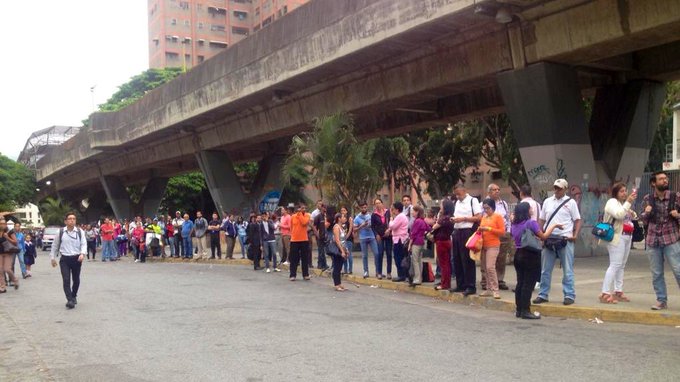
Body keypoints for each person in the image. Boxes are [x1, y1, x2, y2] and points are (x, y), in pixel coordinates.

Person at [534, 179, 582, 306]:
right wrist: (540, 235)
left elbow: (577, 220)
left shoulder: (571, 203)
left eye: (559, 188)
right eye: (555, 188)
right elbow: (542, 220)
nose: (556, 190)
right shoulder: (547, 202)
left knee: (567, 269)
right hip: (549, 238)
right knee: (545, 269)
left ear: (565, 189)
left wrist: (575, 235)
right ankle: (543, 294)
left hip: (565, 238)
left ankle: (569, 294)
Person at [511, 202, 561, 319]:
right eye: (530, 208)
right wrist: (554, 226)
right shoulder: (531, 223)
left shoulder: (514, 224)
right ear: (526, 211)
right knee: (528, 284)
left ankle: (519, 309)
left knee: (520, 282)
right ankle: (525, 310)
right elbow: (543, 236)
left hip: (518, 253)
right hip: (530, 255)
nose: (531, 209)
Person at [640, 171, 680, 310]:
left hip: (671, 239)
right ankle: (661, 300)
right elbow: (642, 219)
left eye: (665, 178)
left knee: (678, 270)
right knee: (656, 273)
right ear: (653, 183)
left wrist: (678, 215)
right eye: (661, 179)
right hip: (653, 240)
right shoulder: (647, 198)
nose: (665, 181)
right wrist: (647, 212)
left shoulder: (676, 197)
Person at [600, 182, 638, 304]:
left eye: (625, 191)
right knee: (615, 264)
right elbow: (619, 214)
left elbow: (632, 216)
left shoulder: (622, 204)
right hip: (617, 237)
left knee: (621, 265)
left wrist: (631, 212)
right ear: (615, 193)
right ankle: (605, 293)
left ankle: (618, 291)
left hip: (627, 236)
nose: (624, 193)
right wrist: (628, 202)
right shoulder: (611, 202)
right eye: (621, 191)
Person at [50, 212, 87, 309]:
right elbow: (55, 245)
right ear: (65, 221)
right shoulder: (61, 232)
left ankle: (74, 295)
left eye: (74, 218)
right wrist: (52, 258)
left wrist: (82, 254)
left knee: (76, 279)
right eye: (70, 219)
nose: (72, 220)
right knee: (66, 279)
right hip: (65, 259)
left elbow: (84, 244)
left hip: (76, 258)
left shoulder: (80, 231)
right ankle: (69, 299)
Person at [451, 184, 482, 295]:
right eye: (456, 194)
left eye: (459, 194)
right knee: (457, 258)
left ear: (464, 191)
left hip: (467, 231)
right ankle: (460, 284)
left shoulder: (472, 201)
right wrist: (454, 220)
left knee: (467, 260)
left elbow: (478, 217)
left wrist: (464, 219)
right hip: (457, 231)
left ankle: (470, 286)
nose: (457, 196)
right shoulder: (457, 203)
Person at [483, 184, 512, 291]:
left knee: (501, 259)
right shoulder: (485, 204)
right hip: (489, 235)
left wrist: (508, 231)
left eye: (498, 189)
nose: (497, 191)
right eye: (494, 190)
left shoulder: (503, 203)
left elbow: (507, 218)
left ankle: (500, 280)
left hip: (502, 234)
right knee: (487, 261)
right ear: (489, 192)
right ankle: (486, 281)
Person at [477, 198, 506, 299]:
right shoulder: (484, 218)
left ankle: (495, 289)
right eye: (484, 208)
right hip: (484, 244)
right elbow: (481, 229)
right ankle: (489, 288)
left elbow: (502, 231)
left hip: (493, 245)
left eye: (488, 208)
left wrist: (488, 229)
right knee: (485, 268)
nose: (486, 210)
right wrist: (480, 230)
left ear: (492, 207)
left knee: (490, 267)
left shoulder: (497, 217)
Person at [432, 199, 455, 291]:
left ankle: (444, 284)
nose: (440, 207)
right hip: (447, 240)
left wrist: (437, 220)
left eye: (441, 205)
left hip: (441, 241)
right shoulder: (450, 217)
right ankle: (446, 283)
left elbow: (434, 227)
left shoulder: (444, 218)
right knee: (447, 263)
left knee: (443, 264)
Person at [354, 201, 379, 279]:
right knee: (364, 255)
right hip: (363, 238)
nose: (364, 209)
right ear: (360, 208)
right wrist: (361, 225)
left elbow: (375, 225)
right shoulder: (357, 218)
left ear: (367, 207)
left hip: (372, 237)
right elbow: (354, 229)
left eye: (365, 207)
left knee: (376, 253)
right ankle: (366, 271)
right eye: (362, 207)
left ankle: (378, 272)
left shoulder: (371, 215)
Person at [387, 202, 409, 282]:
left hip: (399, 239)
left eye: (393, 209)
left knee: (398, 258)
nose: (392, 211)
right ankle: (403, 275)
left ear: (397, 209)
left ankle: (401, 275)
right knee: (401, 257)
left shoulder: (400, 216)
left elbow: (392, 226)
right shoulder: (401, 216)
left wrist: (391, 219)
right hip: (400, 239)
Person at [289, 203, 311, 281]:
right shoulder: (293, 217)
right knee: (293, 258)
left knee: (304, 258)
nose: (303, 209)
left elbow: (304, 222)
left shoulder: (307, 215)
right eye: (301, 208)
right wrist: (292, 235)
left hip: (304, 240)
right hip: (294, 240)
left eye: (304, 208)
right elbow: (291, 227)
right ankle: (292, 275)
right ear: (297, 209)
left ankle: (305, 274)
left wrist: (300, 214)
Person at [371, 198, 392, 280]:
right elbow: (372, 226)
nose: (378, 204)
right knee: (380, 254)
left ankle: (389, 272)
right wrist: (376, 234)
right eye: (376, 203)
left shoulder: (388, 212)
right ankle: (379, 272)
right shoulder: (374, 215)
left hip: (388, 236)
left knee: (389, 253)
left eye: (379, 203)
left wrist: (389, 230)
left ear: (382, 203)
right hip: (380, 236)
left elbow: (392, 221)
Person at [408, 206, 429, 286]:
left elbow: (413, 234)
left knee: (415, 261)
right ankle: (420, 277)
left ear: (417, 212)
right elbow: (429, 229)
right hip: (422, 242)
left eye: (413, 211)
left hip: (416, 242)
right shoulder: (423, 221)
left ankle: (417, 278)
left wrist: (410, 244)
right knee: (419, 260)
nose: (412, 213)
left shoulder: (417, 221)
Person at [330, 213, 349, 291]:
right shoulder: (336, 227)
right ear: (339, 219)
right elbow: (337, 240)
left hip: (343, 247)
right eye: (343, 217)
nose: (345, 218)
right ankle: (336, 284)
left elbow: (343, 240)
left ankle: (339, 283)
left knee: (340, 266)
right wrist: (342, 251)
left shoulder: (342, 227)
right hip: (337, 249)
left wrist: (346, 249)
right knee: (337, 267)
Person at [0, 218, 19, 292]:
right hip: (0, 253)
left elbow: (15, 242)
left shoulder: (9, 232)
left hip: (8, 252)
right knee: (0, 270)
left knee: (7, 269)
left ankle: (15, 280)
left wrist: (7, 237)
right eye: (1, 223)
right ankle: (2, 287)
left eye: (4, 223)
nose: (3, 225)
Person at [340, 206, 354, 274]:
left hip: (349, 239)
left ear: (347, 211)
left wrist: (347, 237)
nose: (343, 212)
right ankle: (345, 269)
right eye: (342, 211)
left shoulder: (350, 219)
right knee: (344, 254)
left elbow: (350, 229)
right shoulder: (341, 219)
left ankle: (350, 269)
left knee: (349, 254)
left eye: (344, 210)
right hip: (342, 239)